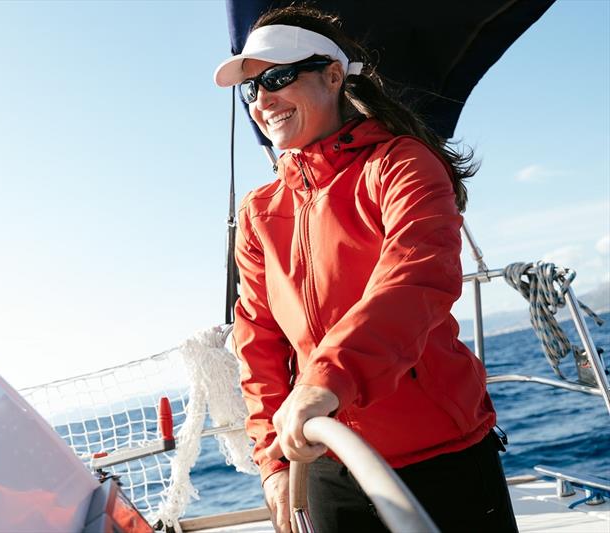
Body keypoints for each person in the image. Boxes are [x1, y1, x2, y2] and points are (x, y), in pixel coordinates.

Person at [213, 5, 517, 533]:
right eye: (252, 89)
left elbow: (416, 275)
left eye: (278, 77)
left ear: (333, 75)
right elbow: (258, 340)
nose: (263, 100)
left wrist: (326, 380)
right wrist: (274, 461)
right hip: (329, 464)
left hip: (440, 454)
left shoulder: (401, 164)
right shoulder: (259, 213)